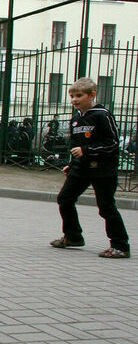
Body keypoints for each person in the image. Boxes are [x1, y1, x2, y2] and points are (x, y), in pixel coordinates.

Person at [50, 77, 130, 259]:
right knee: (65, 199)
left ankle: (120, 246)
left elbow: (112, 143)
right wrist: (72, 163)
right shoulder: (76, 119)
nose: (74, 100)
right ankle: (73, 237)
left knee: (106, 207)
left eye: (79, 95)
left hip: (103, 170)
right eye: (71, 96)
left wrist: (86, 151)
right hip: (81, 170)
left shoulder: (102, 115)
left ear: (92, 95)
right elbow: (77, 145)